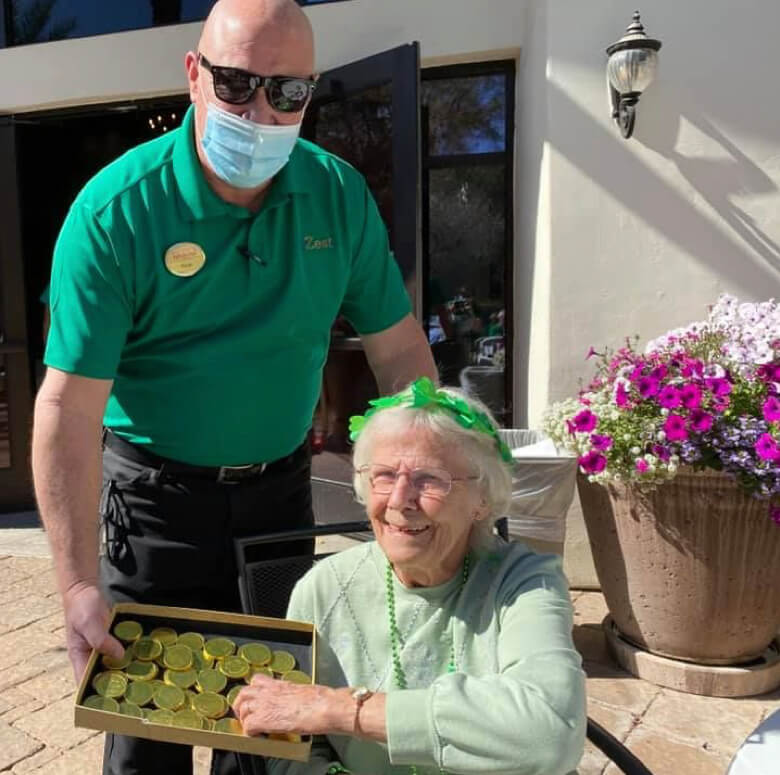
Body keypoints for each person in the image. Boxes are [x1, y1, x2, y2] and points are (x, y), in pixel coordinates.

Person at [30, 1, 436, 774]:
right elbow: (68, 408)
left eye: (286, 92)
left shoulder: (336, 196)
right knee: (148, 732)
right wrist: (78, 582)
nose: (259, 110)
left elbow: (403, 353)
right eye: (237, 83)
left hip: (279, 499)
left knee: (267, 727)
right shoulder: (117, 213)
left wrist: (418, 482)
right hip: (154, 507)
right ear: (193, 75)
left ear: (309, 95)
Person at [233, 377, 587, 775]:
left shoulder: (525, 583)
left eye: (429, 479)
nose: (400, 501)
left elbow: (552, 734)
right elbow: (289, 745)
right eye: (384, 476)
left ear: (483, 499)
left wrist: (335, 708)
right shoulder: (322, 588)